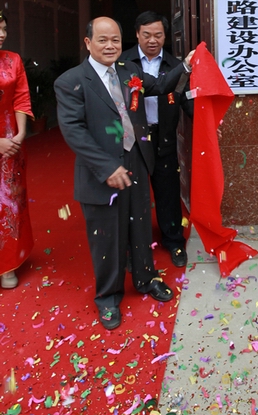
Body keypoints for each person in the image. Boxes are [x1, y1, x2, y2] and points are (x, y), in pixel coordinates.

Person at [54, 17, 195, 330]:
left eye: (115, 40)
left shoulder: (129, 71)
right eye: (103, 40)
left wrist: (185, 66)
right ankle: (108, 296)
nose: (110, 46)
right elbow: (74, 131)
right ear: (88, 43)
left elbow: (160, 86)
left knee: (140, 226)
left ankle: (145, 278)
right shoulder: (71, 81)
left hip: (136, 161)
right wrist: (106, 167)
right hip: (100, 171)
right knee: (107, 236)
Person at [120, 11, 193, 267]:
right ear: (137, 34)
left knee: (168, 193)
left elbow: (184, 98)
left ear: (165, 36)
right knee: (134, 195)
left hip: (164, 138)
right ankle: (133, 247)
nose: (153, 40)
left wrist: (204, 123)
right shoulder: (123, 63)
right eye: (147, 35)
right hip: (133, 141)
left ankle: (174, 242)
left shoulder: (174, 65)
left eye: (158, 35)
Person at [0, 12, 34, 289]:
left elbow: (21, 97)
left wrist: (20, 134)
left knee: (9, 200)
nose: (2, 34)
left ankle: (7, 263)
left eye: (3, 28)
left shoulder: (13, 60)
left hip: (11, 141)